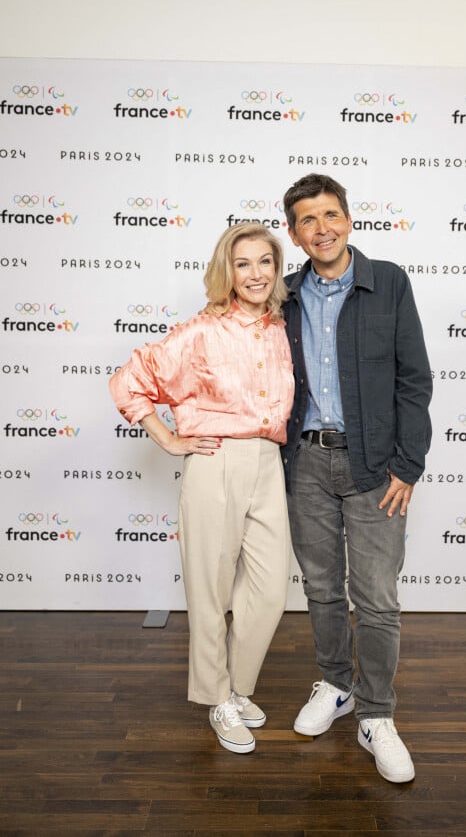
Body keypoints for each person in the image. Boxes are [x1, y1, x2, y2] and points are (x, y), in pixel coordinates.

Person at [109, 222, 294, 755]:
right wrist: (167, 437)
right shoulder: (202, 330)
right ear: (226, 272)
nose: (256, 273)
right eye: (243, 264)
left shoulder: (283, 327)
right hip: (216, 462)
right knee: (210, 589)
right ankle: (216, 698)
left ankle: (236, 687)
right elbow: (132, 377)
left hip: (269, 462)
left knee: (269, 590)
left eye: (265, 262)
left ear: (276, 269)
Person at [281, 174, 432, 783]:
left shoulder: (389, 281)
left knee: (376, 600)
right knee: (320, 588)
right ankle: (336, 685)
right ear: (294, 233)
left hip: (375, 466)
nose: (323, 229)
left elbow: (413, 379)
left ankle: (377, 712)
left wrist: (408, 464)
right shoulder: (282, 296)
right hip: (305, 463)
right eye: (308, 220)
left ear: (349, 219)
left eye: (331, 215)